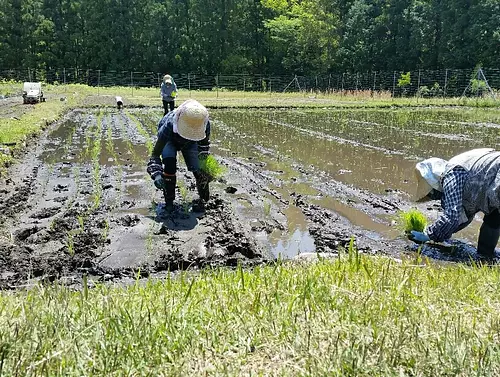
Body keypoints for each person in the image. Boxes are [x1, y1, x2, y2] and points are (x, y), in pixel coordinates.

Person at [410, 148, 500, 259]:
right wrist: (442, 233)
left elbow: (452, 216)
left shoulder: (450, 175)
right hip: (494, 183)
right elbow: (464, 216)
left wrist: (427, 234)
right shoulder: (459, 167)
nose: (435, 196)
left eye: (432, 193)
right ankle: (485, 258)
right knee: (494, 218)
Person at [146, 99, 211, 212]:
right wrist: (156, 174)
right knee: (169, 166)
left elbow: (203, 148)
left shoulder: (203, 123)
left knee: (198, 169)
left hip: (191, 143)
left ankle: (204, 199)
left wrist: (205, 168)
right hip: (170, 140)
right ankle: (169, 203)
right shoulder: (169, 124)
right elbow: (155, 154)